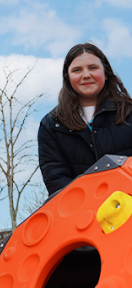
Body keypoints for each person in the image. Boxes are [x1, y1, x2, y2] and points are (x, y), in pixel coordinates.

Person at [38, 42, 132, 196]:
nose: (86, 75)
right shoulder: (51, 126)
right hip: (85, 214)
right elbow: (56, 180)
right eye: (77, 70)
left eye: (93, 68)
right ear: (68, 77)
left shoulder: (129, 111)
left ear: (106, 73)